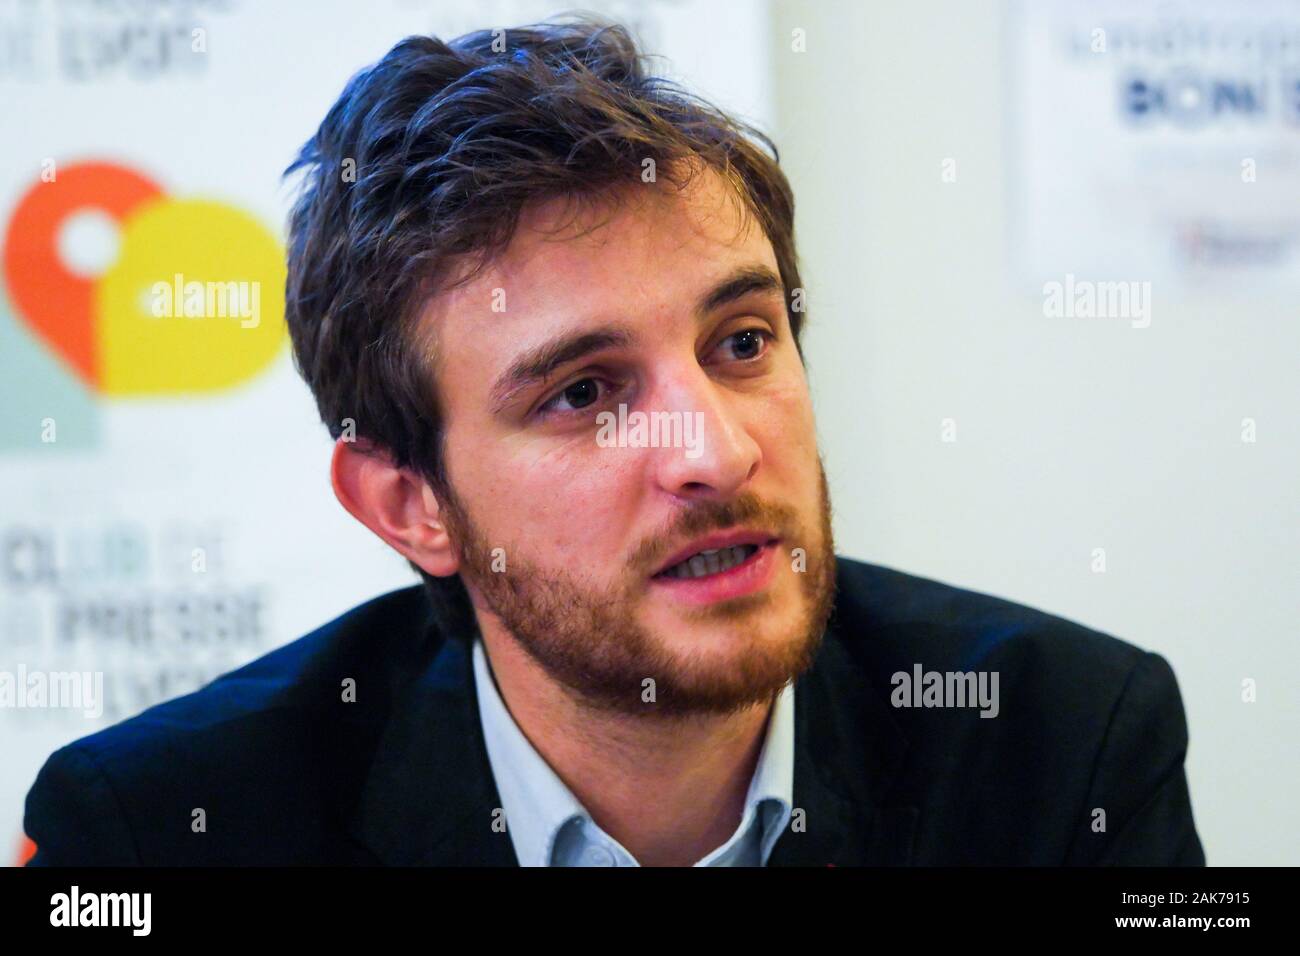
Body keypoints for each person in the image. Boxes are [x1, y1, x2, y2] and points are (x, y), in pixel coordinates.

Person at [23, 17, 1204, 866]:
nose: (716, 452)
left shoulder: (1062, 744)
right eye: (584, 393)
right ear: (406, 504)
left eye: (741, 342)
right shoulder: (166, 828)